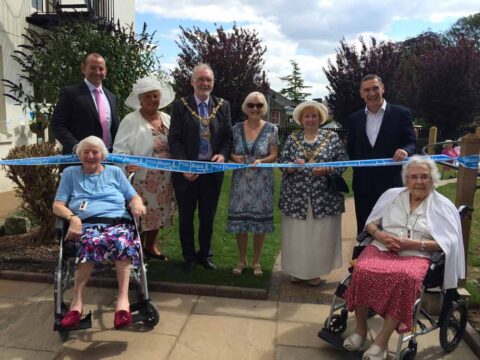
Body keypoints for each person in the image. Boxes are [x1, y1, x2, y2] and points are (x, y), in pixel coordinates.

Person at [342, 156, 465, 360]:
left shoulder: (443, 206)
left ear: (433, 179)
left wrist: (416, 244)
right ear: (406, 179)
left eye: (424, 176)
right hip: (383, 247)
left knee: (405, 279)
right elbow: (371, 223)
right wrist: (380, 235)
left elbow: (449, 243)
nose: (419, 181)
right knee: (361, 270)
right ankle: (360, 331)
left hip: (418, 254)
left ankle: (381, 341)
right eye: (414, 177)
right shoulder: (392, 196)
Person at [52, 136, 147, 330]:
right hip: (86, 226)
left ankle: (122, 303)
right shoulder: (70, 174)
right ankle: (76, 303)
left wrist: (137, 204)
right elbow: (57, 205)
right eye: (86, 152)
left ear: (102, 155)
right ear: (79, 155)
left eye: (95, 152)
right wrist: (73, 218)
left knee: (121, 242)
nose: (90, 156)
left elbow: (133, 196)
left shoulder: (114, 172)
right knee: (90, 242)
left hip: (117, 223)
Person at [168, 64, 233, 271]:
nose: (205, 83)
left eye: (208, 80)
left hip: (212, 172)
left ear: (212, 83)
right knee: (186, 215)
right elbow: (175, 139)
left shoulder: (223, 105)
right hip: (187, 171)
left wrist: (222, 154)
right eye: (201, 79)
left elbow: (227, 137)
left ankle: (205, 255)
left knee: (208, 215)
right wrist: (185, 166)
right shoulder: (180, 106)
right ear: (192, 81)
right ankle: (189, 256)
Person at [279, 101, 348, 286]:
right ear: (301, 119)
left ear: (320, 119)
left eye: (314, 116)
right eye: (307, 116)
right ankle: (296, 270)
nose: (310, 119)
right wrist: (291, 167)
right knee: (297, 234)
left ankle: (315, 272)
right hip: (296, 197)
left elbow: (343, 162)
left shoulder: (331, 138)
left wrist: (327, 169)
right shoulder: (292, 138)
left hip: (324, 197)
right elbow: (282, 162)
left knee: (319, 235)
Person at [113, 76, 176, 260]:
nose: (152, 100)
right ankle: (136, 249)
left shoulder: (166, 118)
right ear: (140, 99)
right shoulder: (131, 120)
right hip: (142, 178)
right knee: (141, 215)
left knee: (158, 214)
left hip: (165, 179)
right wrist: (125, 164)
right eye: (147, 96)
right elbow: (119, 148)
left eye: (155, 96)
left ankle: (150, 246)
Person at [347, 74, 416, 235]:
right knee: (365, 227)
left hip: (392, 183)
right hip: (363, 184)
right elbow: (351, 149)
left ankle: (390, 260)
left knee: (392, 227)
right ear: (361, 94)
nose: (371, 93)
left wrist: (406, 150)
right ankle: (361, 259)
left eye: (375, 88)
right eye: (367, 90)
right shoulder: (354, 119)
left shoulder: (401, 114)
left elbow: (412, 143)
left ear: (383, 89)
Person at [227, 92, 279, 276]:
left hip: (262, 181)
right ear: (245, 107)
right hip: (240, 180)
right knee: (241, 222)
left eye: (259, 105)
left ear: (264, 107)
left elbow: (274, 154)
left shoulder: (272, 129)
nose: (255, 109)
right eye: (251, 105)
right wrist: (236, 158)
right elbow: (230, 152)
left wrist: (262, 161)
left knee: (259, 222)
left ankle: (256, 262)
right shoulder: (235, 129)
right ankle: (242, 260)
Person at [52, 53, 119, 154]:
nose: (97, 72)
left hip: (107, 159)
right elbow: (57, 125)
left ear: (106, 71)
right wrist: (76, 147)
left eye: (101, 69)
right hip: (79, 161)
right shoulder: (70, 94)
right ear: (83, 68)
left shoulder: (111, 97)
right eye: (93, 68)